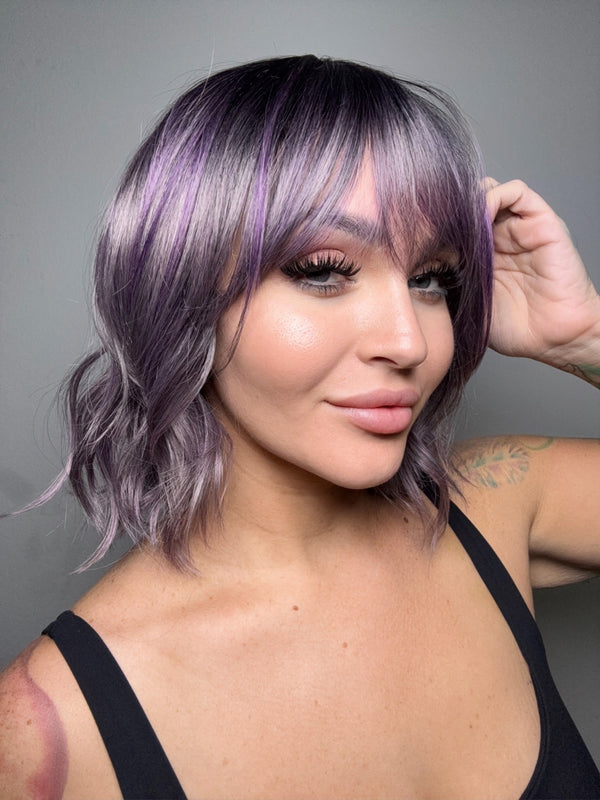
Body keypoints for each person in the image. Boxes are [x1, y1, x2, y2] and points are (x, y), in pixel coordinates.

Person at [0, 55, 599, 800]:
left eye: (431, 278)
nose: (408, 342)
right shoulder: (50, 727)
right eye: (322, 270)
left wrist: (585, 338)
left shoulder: (497, 504)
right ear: (182, 290)